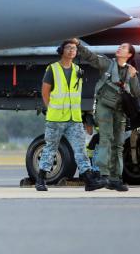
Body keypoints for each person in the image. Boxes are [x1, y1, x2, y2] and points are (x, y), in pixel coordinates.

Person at [36, 40, 106, 192]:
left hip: (74, 118)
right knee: (51, 148)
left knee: (80, 149)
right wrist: (50, 109)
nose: (71, 50)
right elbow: (45, 92)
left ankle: (89, 181)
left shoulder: (78, 70)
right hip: (56, 118)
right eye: (68, 48)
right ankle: (40, 179)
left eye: (74, 48)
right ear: (62, 50)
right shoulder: (53, 69)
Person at [74, 38, 140, 192]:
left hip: (120, 110)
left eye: (123, 47)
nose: (119, 48)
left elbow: (137, 93)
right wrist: (78, 45)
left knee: (118, 144)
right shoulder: (107, 64)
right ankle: (103, 175)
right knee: (106, 139)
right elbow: (90, 57)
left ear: (129, 54)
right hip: (104, 107)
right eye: (120, 46)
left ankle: (115, 179)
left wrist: (133, 76)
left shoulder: (130, 71)